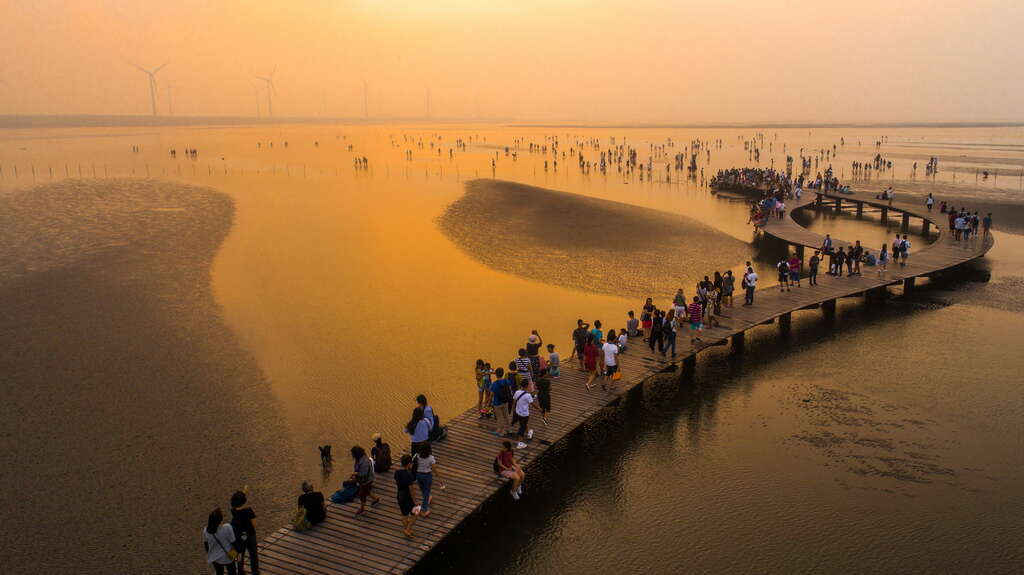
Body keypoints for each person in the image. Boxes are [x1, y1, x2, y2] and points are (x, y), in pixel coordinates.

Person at [230, 489, 258, 575]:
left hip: (239, 536)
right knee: (253, 554)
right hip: (250, 534)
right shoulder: (248, 511)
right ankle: (255, 571)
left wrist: (244, 492)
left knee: (240, 554)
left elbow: (237, 500)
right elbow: (254, 524)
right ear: (244, 501)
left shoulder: (233, 510)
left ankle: (240, 571)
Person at [413, 443, 444, 518]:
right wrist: (440, 479)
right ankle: (423, 510)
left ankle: (428, 498)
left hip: (418, 475)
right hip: (427, 476)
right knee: (426, 493)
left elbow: (413, 465)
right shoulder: (431, 458)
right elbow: (434, 469)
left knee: (423, 489)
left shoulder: (416, 456)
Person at [203, 508, 238, 575]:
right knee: (232, 572)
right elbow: (234, 542)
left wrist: (210, 554)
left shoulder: (205, 531)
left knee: (219, 572)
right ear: (220, 520)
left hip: (215, 558)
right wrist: (236, 553)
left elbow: (206, 545)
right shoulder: (227, 527)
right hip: (228, 557)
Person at [394, 455, 420, 538]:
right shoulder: (409, 475)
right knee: (416, 512)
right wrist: (415, 501)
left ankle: (407, 529)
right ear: (409, 464)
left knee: (404, 514)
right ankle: (407, 530)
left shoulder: (397, 472)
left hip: (400, 495)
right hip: (407, 497)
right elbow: (411, 490)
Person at [350, 445, 380, 514]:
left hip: (366, 480)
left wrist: (355, 475)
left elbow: (363, 474)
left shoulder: (364, 462)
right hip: (366, 479)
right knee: (366, 491)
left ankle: (362, 508)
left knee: (362, 494)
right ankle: (376, 499)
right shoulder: (362, 458)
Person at [489, 367, 513, 437]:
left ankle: (500, 430)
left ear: (496, 375)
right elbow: (510, 390)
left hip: (497, 402)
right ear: (502, 374)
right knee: (506, 415)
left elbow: (491, 395)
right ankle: (509, 429)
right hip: (505, 401)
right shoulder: (507, 381)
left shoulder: (494, 384)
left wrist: (488, 403)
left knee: (499, 417)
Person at [511, 380, 534, 449]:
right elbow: (532, 404)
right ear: (527, 386)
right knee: (522, 427)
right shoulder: (528, 395)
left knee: (523, 424)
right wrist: (539, 409)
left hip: (517, 412)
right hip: (524, 414)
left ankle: (529, 433)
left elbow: (514, 402)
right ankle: (520, 443)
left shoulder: (517, 392)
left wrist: (513, 410)